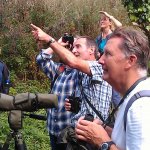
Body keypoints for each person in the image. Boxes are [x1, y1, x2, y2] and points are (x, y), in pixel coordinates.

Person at [75, 27, 150, 150]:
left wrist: (103, 142)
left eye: (108, 54)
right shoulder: (135, 94)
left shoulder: (140, 107)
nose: (100, 60)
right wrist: (105, 130)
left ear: (130, 60)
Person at [35, 38, 79, 150]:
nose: (72, 50)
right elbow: (41, 59)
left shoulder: (80, 73)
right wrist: (57, 44)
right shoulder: (58, 69)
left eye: (76, 47)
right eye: (69, 47)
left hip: (69, 134)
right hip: (53, 130)